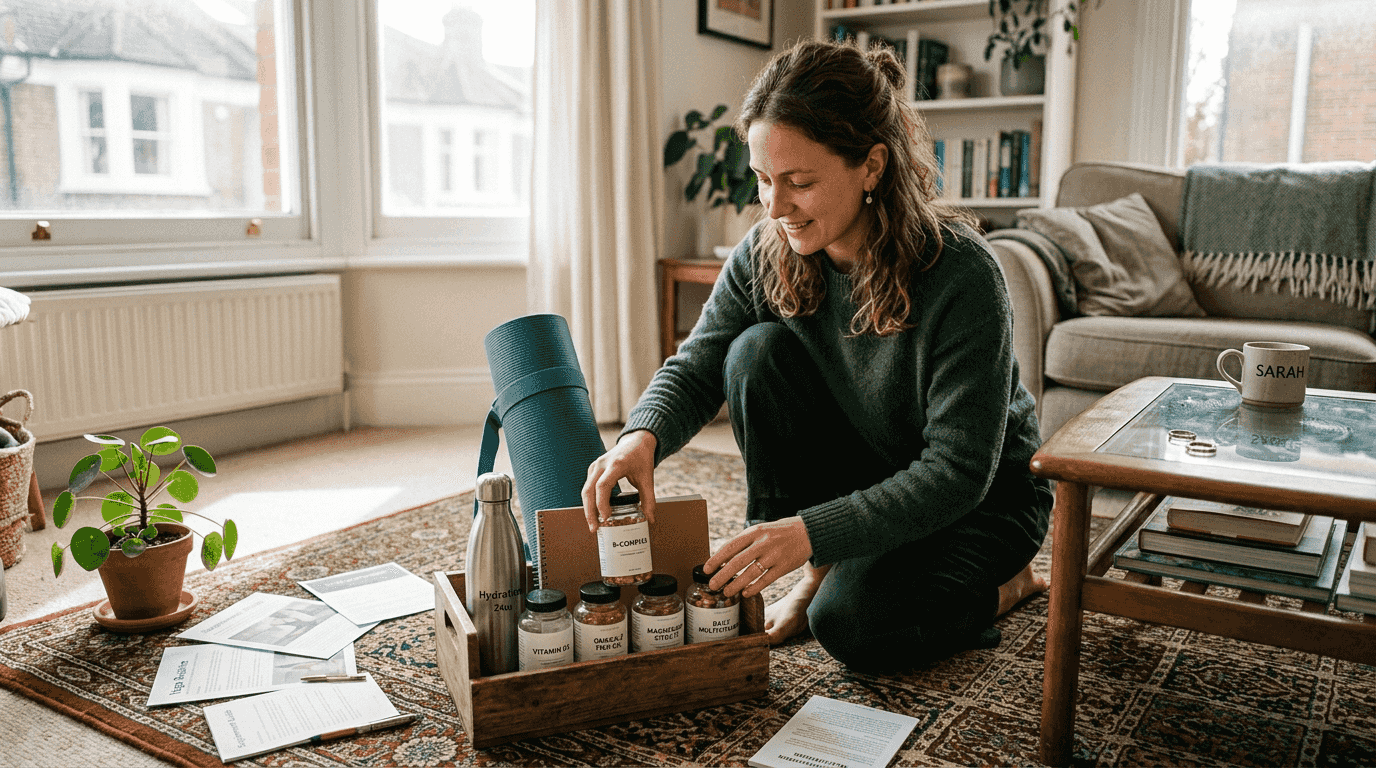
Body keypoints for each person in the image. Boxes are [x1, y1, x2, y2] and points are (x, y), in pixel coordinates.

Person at [581, 38, 1051, 673]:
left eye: (799, 182)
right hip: (878, 470)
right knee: (752, 353)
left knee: (854, 629)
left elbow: (957, 472)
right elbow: (700, 362)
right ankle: (821, 571)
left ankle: (1006, 587)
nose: (774, 207)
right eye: (763, 179)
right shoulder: (766, 248)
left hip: (984, 501)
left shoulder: (962, 274)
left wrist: (806, 529)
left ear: (872, 167)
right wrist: (640, 438)